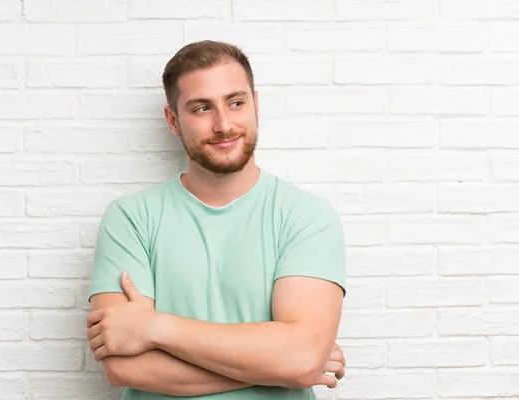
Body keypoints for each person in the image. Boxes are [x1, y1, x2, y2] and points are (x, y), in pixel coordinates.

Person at [86, 40, 347, 399]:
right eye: (202, 108)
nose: (224, 124)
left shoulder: (306, 217)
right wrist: (281, 367)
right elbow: (123, 367)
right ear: (173, 121)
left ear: (256, 105)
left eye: (236, 102)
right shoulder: (131, 219)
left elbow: (301, 358)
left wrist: (154, 327)